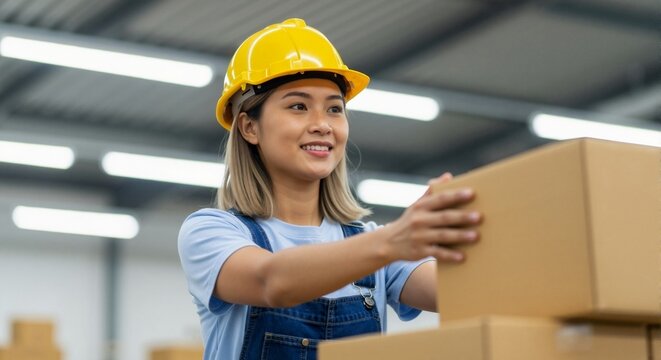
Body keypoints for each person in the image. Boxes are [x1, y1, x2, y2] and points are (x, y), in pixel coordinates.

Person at [178, 18, 481, 360]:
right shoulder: (211, 232)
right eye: (298, 106)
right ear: (249, 126)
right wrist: (394, 240)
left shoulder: (376, 247)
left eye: (334, 109)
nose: (322, 125)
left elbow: (470, 294)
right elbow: (271, 282)